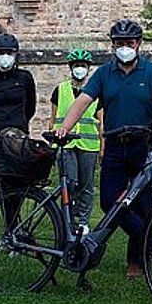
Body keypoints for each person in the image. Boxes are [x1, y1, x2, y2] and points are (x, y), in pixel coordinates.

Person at [55, 19, 152, 278]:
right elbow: (84, 100)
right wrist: (65, 127)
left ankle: (136, 261)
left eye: (129, 43)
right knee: (110, 202)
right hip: (115, 144)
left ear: (138, 44)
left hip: (144, 146)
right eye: (119, 43)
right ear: (112, 45)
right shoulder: (104, 73)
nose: (124, 47)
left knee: (143, 205)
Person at [0, 32, 37, 186]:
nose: (5, 57)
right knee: (1, 185)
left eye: (9, 53)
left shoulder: (24, 78)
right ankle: (6, 210)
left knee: (19, 183)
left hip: (18, 137)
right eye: (1, 53)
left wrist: (19, 124)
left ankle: (15, 211)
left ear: (16, 55)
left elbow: (31, 106)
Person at [51, 48, 101, 229]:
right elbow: (53, 118)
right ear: (71, 67)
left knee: (86, 186)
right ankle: (67, 220)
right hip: (66, 144)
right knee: (69, 183)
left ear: (88, 68)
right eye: (76, 65)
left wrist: (103, 147)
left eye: (83, 65)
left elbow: (101, 121)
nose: (80, 69)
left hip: (89, 145)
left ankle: (83, 222)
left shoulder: (96, 91)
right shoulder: (60, 90)